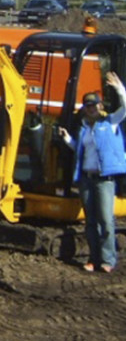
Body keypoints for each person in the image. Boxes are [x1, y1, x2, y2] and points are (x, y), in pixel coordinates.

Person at [57, 71, 126, 273]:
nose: (91, 109)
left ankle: (108, 260)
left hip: (104, 179)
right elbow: (81, 149)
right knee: (90, 222)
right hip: (86, 179)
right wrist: (67, 139)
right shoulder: (84, 129)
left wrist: (119, 88)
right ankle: (93, 259)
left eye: (94, 105)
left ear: (100, 107)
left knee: (106, 220)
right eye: (88, 106)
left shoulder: (111, 122)